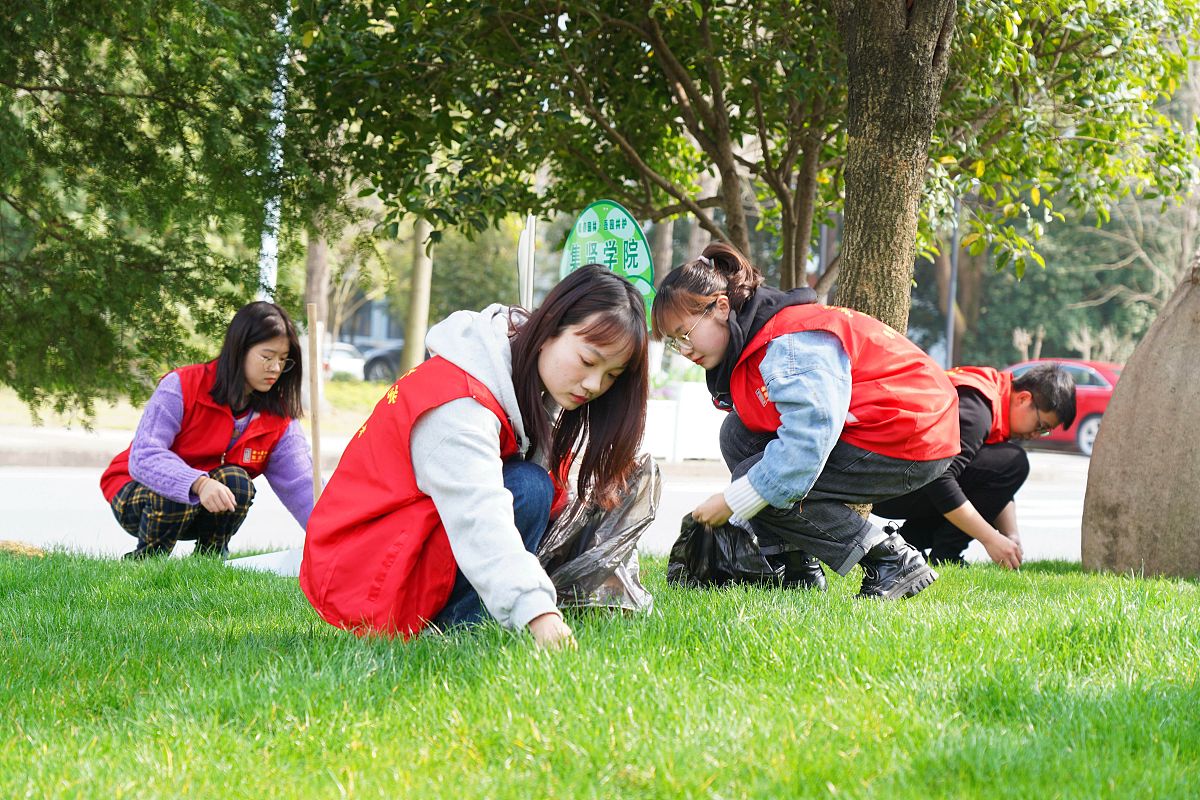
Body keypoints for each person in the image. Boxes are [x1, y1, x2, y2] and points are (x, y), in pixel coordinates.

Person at [300, 265, 649, 649]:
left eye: (612, 374)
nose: (595, 384)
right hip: (363, 571)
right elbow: (481, 517)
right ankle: (458, 635)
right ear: (550, 328)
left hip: (395, 547)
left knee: (539, 489)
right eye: (588, 361)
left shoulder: (518, 377)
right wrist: (538, 614)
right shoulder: (458, 406)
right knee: (528, 489)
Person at [652, 243, 960, 600]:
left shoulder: (789, 343)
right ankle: (798, 567)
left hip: (911, 436)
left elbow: (803, 451)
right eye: (674, 344)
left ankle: (890, 558)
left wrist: (734, 500)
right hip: (887, 429)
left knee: (760, 484)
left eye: (684, 334)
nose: (685, 350)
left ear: (721, 307)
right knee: (737, 435)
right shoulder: (757, 341)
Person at [100, 301, 315, 558]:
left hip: (203, 504)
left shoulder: (278, 418)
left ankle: (209, 562)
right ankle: (147, 562)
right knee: (175, 491)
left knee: (237, 481)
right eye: (267, 357)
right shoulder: (181, 385)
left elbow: (302, 483)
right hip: (138, 491)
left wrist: (335, 535)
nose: (276, 369)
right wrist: (198, 483)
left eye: (283, 360)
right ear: (239, 350)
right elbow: (144, 455)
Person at [873, 363, 1076, 568]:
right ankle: (945, 555)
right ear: (1023, 398)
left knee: (1006, 463)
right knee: (1015, 462)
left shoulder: (991, 392)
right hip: (886, 482)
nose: (1035, 435)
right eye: (1040, 426)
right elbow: (940, 477)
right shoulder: (976, 411)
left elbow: (991, 481)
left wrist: (1011, 537)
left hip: (898, 476)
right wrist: (990, 539)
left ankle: (908, 543)